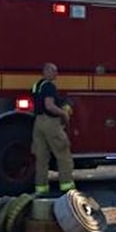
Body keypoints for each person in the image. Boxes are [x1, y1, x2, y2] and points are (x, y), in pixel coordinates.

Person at [31, 62, 75, 196]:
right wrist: (63, 113)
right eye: (54, 71)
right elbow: (49, 105)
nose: (56, 73)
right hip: (50, 123)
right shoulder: (49, 86)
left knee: (41, 158)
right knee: (63, 154)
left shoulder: (37, 85)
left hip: (38, 123)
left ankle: (41, 189)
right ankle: (67, 187)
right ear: (46, 71)